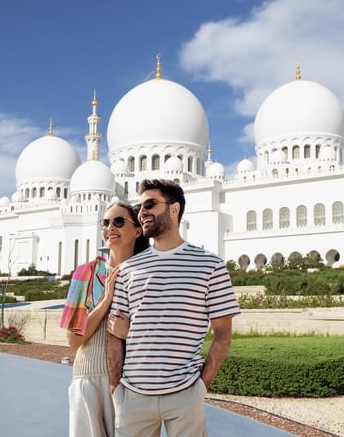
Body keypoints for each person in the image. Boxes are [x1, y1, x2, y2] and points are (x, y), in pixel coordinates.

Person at [107, 179, 241, 437]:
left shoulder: (210, 266)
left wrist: (201, 386)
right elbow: (115, 334)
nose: (142, 212)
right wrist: (116, 386)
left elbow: (223, 335)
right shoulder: (128, 270)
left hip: (185, 394)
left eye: (150, 204)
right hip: (132, 396)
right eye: (139, 207)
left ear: (174, 209)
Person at [60, 201, 149, 437]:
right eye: (106, 222)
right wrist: (106, 300)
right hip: (88, 378)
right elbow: (73, 340)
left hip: (131, 380)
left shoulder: (145, 277)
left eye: (119, 221)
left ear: (137, 230)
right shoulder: (86, 273)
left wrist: (128, 332)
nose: (111, 227)